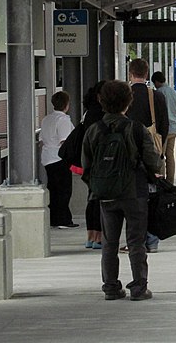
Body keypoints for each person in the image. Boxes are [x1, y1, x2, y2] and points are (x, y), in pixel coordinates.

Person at [81, 80, 163, 301]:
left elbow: (86, 166)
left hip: (106, 194)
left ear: (101, 101)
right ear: (129, 102)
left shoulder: (93, 131)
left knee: (109, 242)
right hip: (134, 192)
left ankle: (110, 287)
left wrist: (98, 185)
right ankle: (138, 288)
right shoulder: (136, 129)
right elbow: (154, 161)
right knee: (136, 241)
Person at [126, 58, 169, 253]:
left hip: (128, 156)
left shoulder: (124, 95)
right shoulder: (156, 96)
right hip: (151, 155)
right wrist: (160, 151)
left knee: (132, 200)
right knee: (152, 198)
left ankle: (136, 240)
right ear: (146, 73)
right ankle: (152, 240)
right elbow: (164, 126)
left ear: (130, 73)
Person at [40, 91, 78, 228]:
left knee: (54, 189)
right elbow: (65, 141)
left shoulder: (46, 119)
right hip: (59, 158)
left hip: (47, 158)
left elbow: (41, 141)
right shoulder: (63, 120)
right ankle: (63, 219)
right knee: (64, 190)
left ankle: (54, 217)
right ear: (67, 105)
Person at [82, 81, 106, 249]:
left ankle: (91, 236)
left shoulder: (88, 113)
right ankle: (99, 237)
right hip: (102, 162)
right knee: (100, 200)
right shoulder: (101, 114)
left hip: (90, 163)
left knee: (91, 199)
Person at [151, 71, 176, 184]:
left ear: (157, 82)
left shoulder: (158, 93)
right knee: (170, 155)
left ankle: (162, 181)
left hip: (162, 131)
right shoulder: (174, 92)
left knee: (160, 156)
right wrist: (175, 123)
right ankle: (170, 181)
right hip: (173, 129)